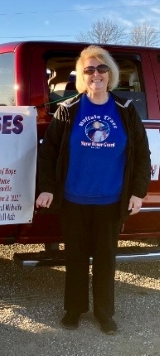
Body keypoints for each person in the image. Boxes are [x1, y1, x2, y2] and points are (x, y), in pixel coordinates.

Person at [36, 45, 151, 335]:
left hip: (112, 201)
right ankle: (73, 310)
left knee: (105, 260)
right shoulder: (69, 109)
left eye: (101, 68)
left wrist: (137, 193)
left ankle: (104, 313)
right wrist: (47, 188)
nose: (96, 74)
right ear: (82, 76)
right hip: (74, 199)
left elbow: (142, 154)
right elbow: (49, 152)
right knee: (74, 258)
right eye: (89, 69)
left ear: (110, 73)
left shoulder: (125, 110)